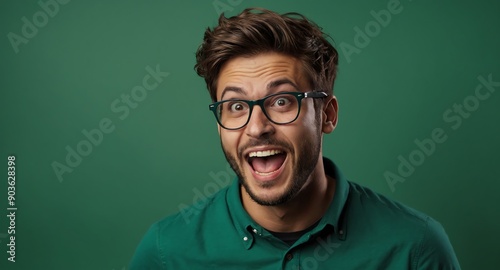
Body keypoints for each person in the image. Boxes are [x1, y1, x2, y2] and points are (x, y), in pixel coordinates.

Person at [130, 8, 461, 269]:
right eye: (236, 106)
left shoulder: (416, 247)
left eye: (281, 101)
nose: (257, 127)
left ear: (327, 115)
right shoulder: (166, 252)